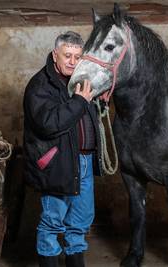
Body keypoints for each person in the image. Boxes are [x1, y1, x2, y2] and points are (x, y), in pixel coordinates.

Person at [23, 31, 103, 267]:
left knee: (80, 221)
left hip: (85, 161)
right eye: (67, 55)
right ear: (54, 55)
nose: (72, 61)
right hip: (58, 162)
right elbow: (49, 124)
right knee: (52, 222)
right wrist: (80, 102)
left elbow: (85, 117)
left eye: (77, 57)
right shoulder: (40, 85)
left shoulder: (78, 82)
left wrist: (97, 102)